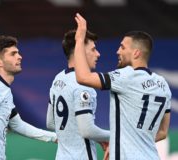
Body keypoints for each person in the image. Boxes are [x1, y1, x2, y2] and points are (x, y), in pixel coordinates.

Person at [73, 13, 171, 159]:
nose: (117, 51)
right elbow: (162, 132)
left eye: (122, 47)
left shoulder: (126, 76)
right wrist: (123, 144)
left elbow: (83, 77)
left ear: (136, 53)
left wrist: (80, 39)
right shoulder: (163, 84)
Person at [0, 35, 57, 160]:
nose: (19, 57)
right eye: (13, 54)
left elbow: (17, 125)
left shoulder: (3, 89)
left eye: (18, 53)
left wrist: (54, 137)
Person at [46, 29, 109, 160]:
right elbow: (87, 130)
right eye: (93, 49)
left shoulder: (58, 79)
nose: (98, 54)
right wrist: (115, 136)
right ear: (79, 50)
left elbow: (51, 123)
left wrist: (97, 138)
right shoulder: (84, 84)